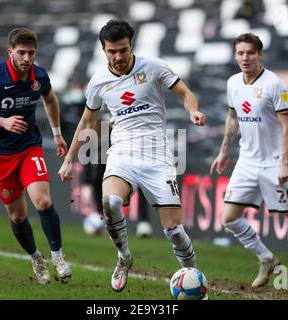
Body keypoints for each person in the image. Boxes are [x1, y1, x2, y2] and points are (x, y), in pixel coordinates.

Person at [59, 20, 207, 292]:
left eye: (123, 50)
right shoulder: (98, 82)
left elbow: (185, 93)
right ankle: (124, 257)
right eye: (111, 51)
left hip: (157, 155)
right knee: (111, 202)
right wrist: (70, 158)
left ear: (132, 45)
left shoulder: (153, 66)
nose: (118, 57)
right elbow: (87, 122)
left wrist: (192, 111)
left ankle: (194, 280)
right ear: (103, 49)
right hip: (122, 153)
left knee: (174, 230)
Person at [210, 33, 288, 289]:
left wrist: (284, 162)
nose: (245, 58)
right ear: (235, 55)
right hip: (247, 162)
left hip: (273, 163)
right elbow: (233, 117)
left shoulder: (275, 84)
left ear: (260, 54)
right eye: (240, 53)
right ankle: (266, 258)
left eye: (250, 53)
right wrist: (224, 150)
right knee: (229, 218)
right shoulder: (233, 83)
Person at [0, 27, 71, 284]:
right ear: (10, 52)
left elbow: (50, 99)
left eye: (31, 53)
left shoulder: (40, 75)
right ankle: (36, 258)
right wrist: (2, 122)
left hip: (29, 147)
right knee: (17, 216)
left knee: (43, 202)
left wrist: (57, 133)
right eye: (21, 53)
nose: (27, 59)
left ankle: (57, 256)